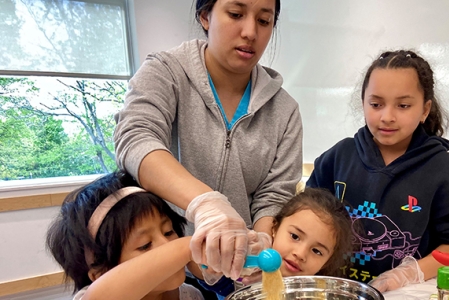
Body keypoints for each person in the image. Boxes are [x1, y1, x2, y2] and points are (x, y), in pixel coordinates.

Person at [113, 0, 302, 284]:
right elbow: (136, 138)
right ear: (205, 16)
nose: (250, 32)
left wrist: (262, 239)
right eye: (236, 14)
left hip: (237, 266)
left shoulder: (284, 110)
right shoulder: (166, 73)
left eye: (264, 21)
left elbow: (274, 195)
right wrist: (206, 204)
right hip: (166, 264)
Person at [307, 50, 449, 292]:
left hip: (406, 294)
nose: (387, 117)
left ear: (425, 110)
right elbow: (307, 218)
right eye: (376, 104)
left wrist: (408, 274)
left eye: (403, 105)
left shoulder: (444, 171)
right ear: (363, 103)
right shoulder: (337, 158)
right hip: (337, 289)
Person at [46, 171, 204, 300]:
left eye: (168, 232)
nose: (169, 247)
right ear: (101, 274)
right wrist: (188, 246)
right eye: (144, 245)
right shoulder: (100, 295)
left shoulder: (190, 295)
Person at [202, 188, 354, 298]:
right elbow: (200, 267)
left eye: (317, 251)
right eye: (295, 236)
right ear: (274, 228)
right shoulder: (242, 278)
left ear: (327, 262)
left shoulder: (319, 294)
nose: (300, 254)